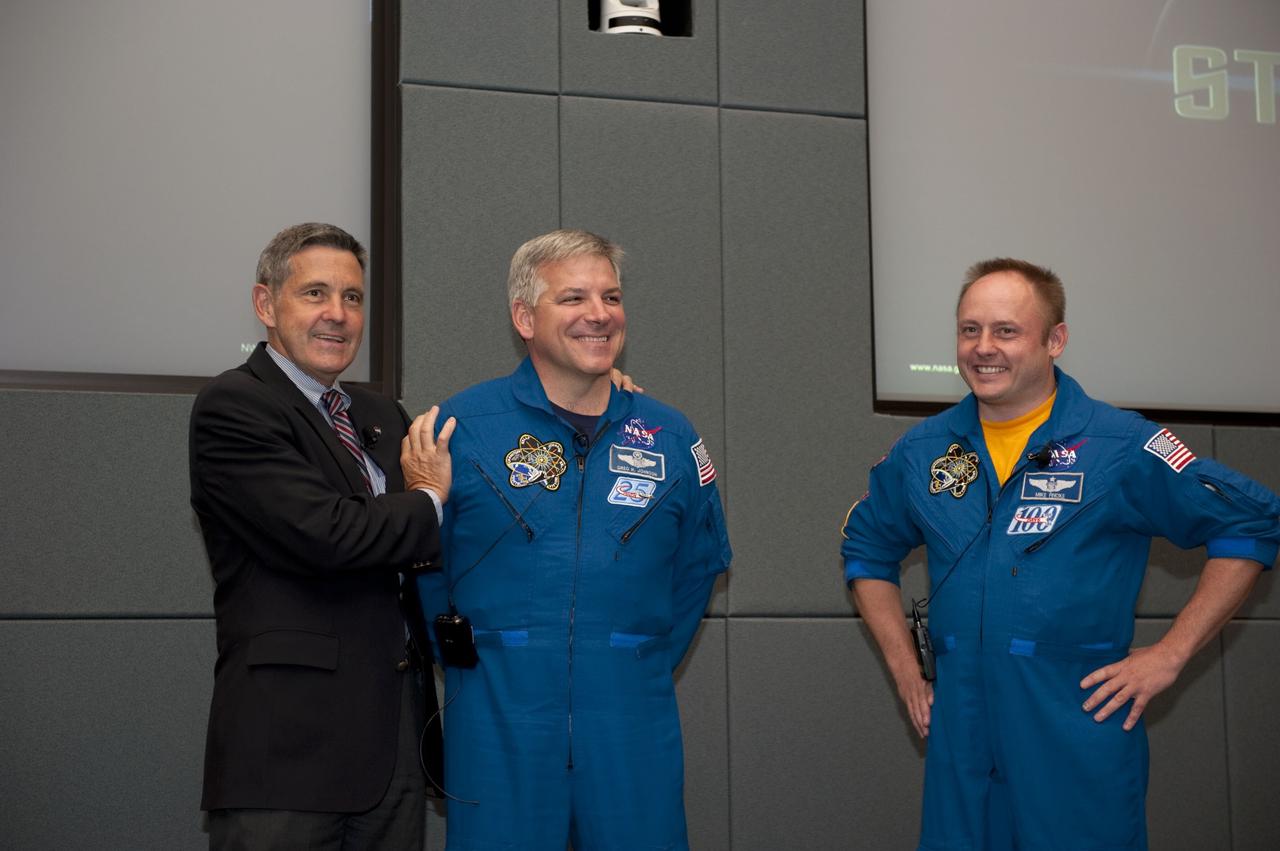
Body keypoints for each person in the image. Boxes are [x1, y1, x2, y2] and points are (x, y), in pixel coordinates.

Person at [840, 258, 1280, 851]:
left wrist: (1171, 655)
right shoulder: (923, 451)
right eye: (969, 330)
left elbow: (1249, 522)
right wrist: (904, 670)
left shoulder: (1120, 444)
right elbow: (867, 549)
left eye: (1006, 330)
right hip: (962, 729)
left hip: (1073, 725)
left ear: (1056, 341)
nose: (983, 348)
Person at [418, 228, 731, 850]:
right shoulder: (460, 429)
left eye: (611, 297)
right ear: (524, 317)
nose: (599, 314)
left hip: (629, 724)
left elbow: (699, 565)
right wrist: (478, 658)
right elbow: (424, 563)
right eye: (574, 298)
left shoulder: (670, 435)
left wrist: (631, 655)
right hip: (497, 720)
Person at [189, 222, 455, 850]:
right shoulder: (234, 405)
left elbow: (459, 503)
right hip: (286, 753)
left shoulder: (381, 415)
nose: (338, 315)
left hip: (392, 747)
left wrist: (590, 400)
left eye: (353, 298)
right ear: (266, 305)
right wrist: (427, 498)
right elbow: (329, 534)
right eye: (315, 294)